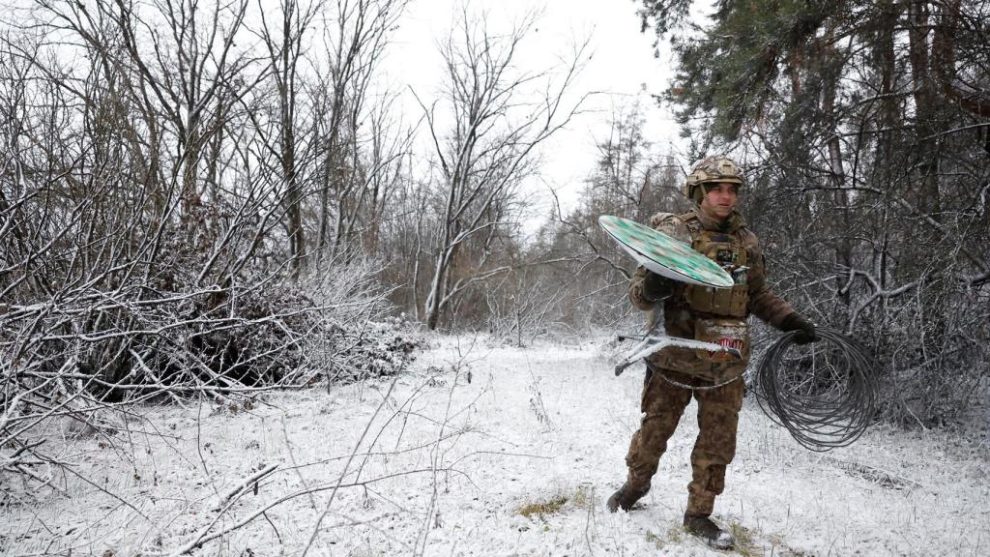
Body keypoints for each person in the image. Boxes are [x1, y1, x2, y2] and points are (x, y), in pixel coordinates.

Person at [605, 156, 818, 549]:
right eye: (718, 188)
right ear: (699, 193)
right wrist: (654, 284)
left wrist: (790, 321)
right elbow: (638, 296)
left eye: (732, 189)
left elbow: (756, 293)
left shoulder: (746, 242)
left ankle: (699, 514)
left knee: (718, 441)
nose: (726, 196)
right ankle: (634, 487)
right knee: (655, 430)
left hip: (725, 360)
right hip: (674, 356)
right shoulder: (672, 233)